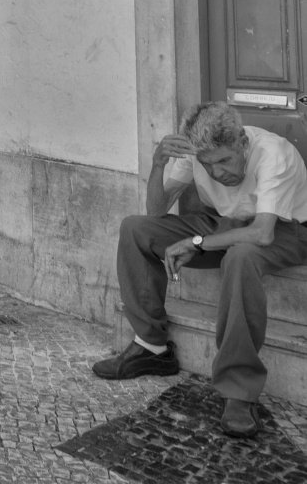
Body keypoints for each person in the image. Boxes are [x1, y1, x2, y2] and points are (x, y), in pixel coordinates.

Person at [91, 101, 307, 437]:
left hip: (287, 229)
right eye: (209, 165)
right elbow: (156, 210)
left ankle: (238, 389)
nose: (218, 172)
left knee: (240, 255)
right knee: (137, 228)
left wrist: (196, 243)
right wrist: (158, 164)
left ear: (242, 144)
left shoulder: (273, 153)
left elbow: (262, 233)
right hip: (224, 224)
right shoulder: (196, 156)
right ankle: (151, 347)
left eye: (225, 160)